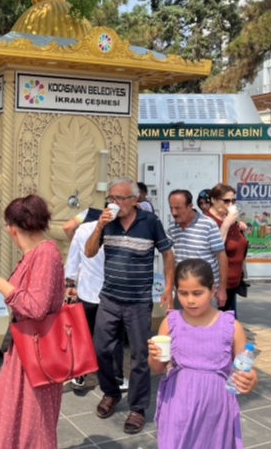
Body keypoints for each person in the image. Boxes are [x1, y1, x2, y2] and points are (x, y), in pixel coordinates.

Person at [0, 194, 65, 449]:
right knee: (8, 416)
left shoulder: (45, 253)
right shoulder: (35, 253)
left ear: (11, 229)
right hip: (24, 347)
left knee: (32, 425)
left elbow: (36, 307)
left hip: (38, 352)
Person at [84, 178, 175, 435]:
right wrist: (98, 226)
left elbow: (168, 254)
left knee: (139, 355)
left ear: (134, 200)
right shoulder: (106, 222)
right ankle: (111, 393)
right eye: (111, 198)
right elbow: (89, 252)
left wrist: (168, 287)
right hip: (109, 299)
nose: (113, 203)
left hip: (138, 301)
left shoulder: (150, 222)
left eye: (119, 198)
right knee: (101, 349)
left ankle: (137, 407)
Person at [149, 258, 258, 449]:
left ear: (212, 290)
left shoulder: (231, 326)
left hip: (215, 408)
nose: (190, 300)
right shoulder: (170, 322)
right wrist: (153, 355)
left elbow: (245, 367)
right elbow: (157, 367)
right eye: (183, 293)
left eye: (197, 293)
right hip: (178, 403)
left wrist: (251, 380)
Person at [64, 220, 126, 392]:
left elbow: (73, 258)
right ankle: (117, 377)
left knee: (84, 335)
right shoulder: (124, 230)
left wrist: (70, 283)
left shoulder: (83, 229)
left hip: (87, 293)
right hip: (113, 294)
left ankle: (80, 375)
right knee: (114, 337)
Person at [167, 189, 228, 308]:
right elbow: (165, 253)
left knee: (207, 320)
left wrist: (222, 289)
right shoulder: (172, 227)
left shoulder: (208, 224)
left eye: (178, 208)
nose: (174, 212)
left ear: (190, 206)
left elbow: (222, 257)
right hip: (182, 291)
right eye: (171, 208)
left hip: (205, 291)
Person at [205, 184, 249, 318]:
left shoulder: (230, 219)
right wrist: (226, 224)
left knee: (226, 320)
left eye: (233, 201)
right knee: (214, 321)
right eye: (226, 201)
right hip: (219, 283)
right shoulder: (208, 221)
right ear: (213, 200)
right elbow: (215, 248)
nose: (230, 204)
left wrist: (240, 229)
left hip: (234, 281)